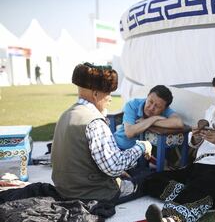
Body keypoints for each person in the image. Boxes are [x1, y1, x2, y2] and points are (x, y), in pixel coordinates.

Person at [144, 70, 215, 222]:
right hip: (199, 164)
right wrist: (195, 136)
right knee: (152, 180)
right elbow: (192, 143)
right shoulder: (212, 111)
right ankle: (211, 199)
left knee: (203, 184)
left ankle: (171, 218)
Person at [51, 62, 152, 203]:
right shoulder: (94, 122)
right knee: (148, 177)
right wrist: (142, 147)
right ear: (95, 94)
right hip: (91, 193)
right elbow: (114, 167)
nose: (110, 98)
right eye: (108, 93)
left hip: (65, 188)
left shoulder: (66, 114)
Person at [114, 85, 184, 150]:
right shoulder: (132, 105)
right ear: (147, 96)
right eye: (150, 101)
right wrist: (154, 118)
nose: (151, 108)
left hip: (141, 153)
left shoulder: (165, 109)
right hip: (118, 147)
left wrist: (150, 121)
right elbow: (129, 133)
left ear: (164, 109)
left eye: (157, 106)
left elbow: (179, 123)